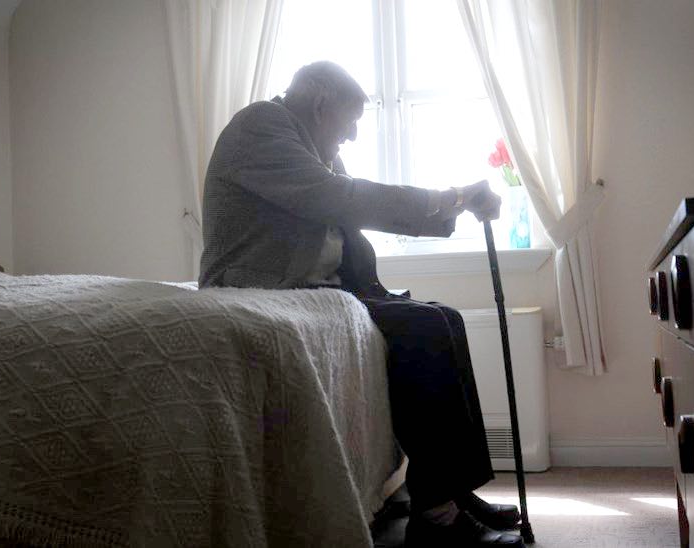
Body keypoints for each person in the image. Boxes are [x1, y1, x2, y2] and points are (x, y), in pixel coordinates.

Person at [199, 60, 524, 548]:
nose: (352, 136)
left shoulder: (316, 146)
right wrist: (451, 195)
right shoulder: (260, 127)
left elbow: (357, 214)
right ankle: (436, 518)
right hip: (265, 288)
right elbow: (343, 199)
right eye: (350, 122)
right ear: (320, 105)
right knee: (422, 329)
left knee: (444, 319)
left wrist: (454, 207)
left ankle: (448, 490)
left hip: (318, 289)